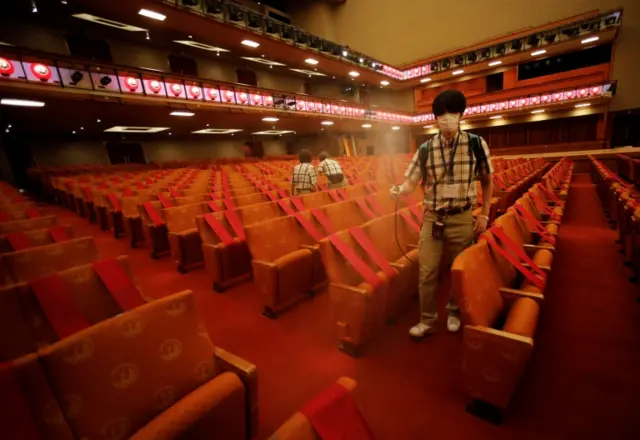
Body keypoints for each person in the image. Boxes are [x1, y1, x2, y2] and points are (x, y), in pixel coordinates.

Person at [390, 89, 494, 339]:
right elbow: (410, 183)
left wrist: (484, 214)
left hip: (462, 216)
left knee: (458, 270)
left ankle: (454, 312)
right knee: (427, 271)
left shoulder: (475, 144)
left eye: (452, 113)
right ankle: (427, 320)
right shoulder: (426, 149)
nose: (446, 118)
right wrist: (399, 190)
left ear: (460, 115)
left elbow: (488, 181)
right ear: (436, 118)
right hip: (433, 218)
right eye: (441, 114)